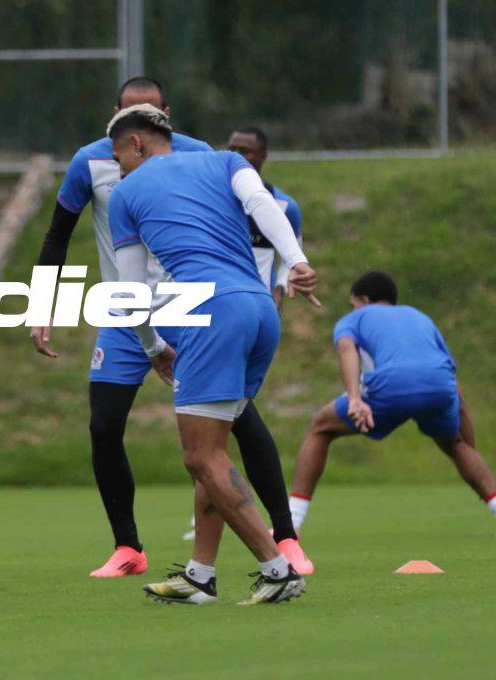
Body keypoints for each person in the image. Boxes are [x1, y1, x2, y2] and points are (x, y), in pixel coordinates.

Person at [30, 77, 309, 578]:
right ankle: (140, 553)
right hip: (140, 313)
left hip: (194, 309)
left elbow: (258, 209)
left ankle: (283, 544)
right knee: (107, 426)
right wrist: (42, 303)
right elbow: (58, 235)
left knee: (225, 433)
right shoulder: (91, 162)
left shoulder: (198, 156)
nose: (120, 165)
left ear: (159, 122)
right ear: (115, 115)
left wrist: (286, 266)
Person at [104, 105, 320, 605]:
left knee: (200, 456)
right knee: (215, 447)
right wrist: (298, 262)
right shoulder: (224, 162)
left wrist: (153, 346)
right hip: (261, 310)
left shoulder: (126, 195)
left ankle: (278, 569)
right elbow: (266, 207)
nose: (118, 169)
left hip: (212, 313)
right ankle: (200, 574)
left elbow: (132, 291)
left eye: (119, 157)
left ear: (136, 143)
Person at [287, 271, 496, 539]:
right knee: (456, 446)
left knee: (321, 426)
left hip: (392, 385)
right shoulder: (419, 317)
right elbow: (450, 378)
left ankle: (290, 525)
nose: (352, 309)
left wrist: (355, 398)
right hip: (440, 386)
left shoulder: (354, 318)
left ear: (363, 300)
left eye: (353, 303)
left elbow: (346, 348)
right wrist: (469, 450)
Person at [226, 126, 303, 312]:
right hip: (218, 302)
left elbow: (293, 252)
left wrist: (280, 287)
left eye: (244, 151)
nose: (236, 156)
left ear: (263, 156)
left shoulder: (284, 206)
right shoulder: (210, 200)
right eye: (232, 150)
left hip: (260, 305)